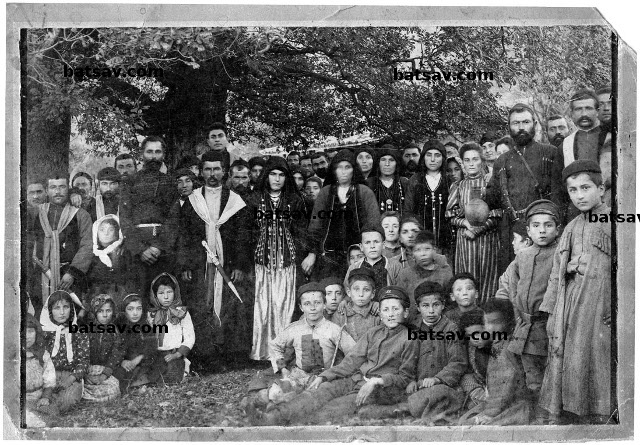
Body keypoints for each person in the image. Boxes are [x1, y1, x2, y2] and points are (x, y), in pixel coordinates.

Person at [248, 286, 418, 426]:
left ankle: (279, 419)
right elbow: (351, 361)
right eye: (386, 310)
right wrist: (324, 376)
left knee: (332, 409)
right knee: (320, 391)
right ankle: (274, 416)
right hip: (357, 380)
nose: (390, 314)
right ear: (380, 314)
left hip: (382, 389)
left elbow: (405, 376)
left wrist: (377, 381)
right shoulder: (373, 333)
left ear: (405, 312)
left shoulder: (410, 337)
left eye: (396, 309)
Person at [539, 160, 613, 424]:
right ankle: (570, 412)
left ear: (601, 189)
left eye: (585, 187)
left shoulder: (614, 222)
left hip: (599, 305)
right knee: (569, 356)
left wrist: (617, 308)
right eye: (573, 190)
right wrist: (551, 311)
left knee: (594, 356)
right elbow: (556, 272)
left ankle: (600, 416)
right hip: (570, 303)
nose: (579, 195)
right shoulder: (571, 226)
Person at [176, 150, 252, 366]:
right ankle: (205, 357)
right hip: (201, 265)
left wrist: (239, 264)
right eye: (207, 169)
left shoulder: (235, 201)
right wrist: (186, 264)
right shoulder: (193, 200)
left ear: (224, 171)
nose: (212, 173)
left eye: (216, 169)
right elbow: (185, 235)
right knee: (202, 305)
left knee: (229, 307)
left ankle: (229, 355)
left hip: (227, 264)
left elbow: (242, 236)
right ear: (201, 172)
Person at [487, 103, 566, 264]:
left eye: (525, 122)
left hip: (544, 229)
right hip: (512, 230)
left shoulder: (551, 153)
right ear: (509, 126)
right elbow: (492, 198)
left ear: (534, 124)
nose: (521, 127)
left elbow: (560, 195)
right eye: (516, 123)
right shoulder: (501, 161)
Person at [246, 156, 309, 361]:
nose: (277, 178)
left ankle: (284, 353)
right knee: (263, 306)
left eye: (282, 175)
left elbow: (301, 232)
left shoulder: (295, 200)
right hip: (261, 264)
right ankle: (262, 352)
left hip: (286, 263)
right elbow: (247, 233)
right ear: (266, 176)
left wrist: (306, 253)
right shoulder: (253, 200)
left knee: (284, 304)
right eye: (273, 174)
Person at [505, 199, 560, 423]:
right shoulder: (523, 256)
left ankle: (551, 416)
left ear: (558, 229)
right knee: (530, 375)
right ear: (528, 230)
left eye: (548, 225)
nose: (542, 230)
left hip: (547, 326)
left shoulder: (559, 254)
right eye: (536, 226)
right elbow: (513, 284)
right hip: (525, 326)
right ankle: (535, 416)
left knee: (551, 374)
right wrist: (518, 313)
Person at [303, 149, 381, 280]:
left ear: (354, 170)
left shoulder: (364, 192)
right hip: (329, 256)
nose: (343, 172)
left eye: (347, 167)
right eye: (339, 167)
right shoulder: (326, 193)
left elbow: (374, 224)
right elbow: (315, 226)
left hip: (359, 254)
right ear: (334, 170)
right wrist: (312, 253)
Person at [119, 136, 179, 297]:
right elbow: (125, 219)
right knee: (137, 300)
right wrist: (140, 249)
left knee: (163, 297)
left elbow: (173, 218)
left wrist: (158, 246)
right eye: (149, 152)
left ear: (163, 155)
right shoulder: (129, 182)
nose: (153, 156)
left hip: (163, 250)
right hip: (137, 251)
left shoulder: (170, 182)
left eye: (158, 152)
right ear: (142, 155)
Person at [269, 282, 356, 392]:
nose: (312, 308)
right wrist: (282, 368)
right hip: (298, 376)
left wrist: (337, 371)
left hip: (325, 378)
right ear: (301, 307)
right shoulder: (294, 329)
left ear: (324, 304)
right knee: (275, 394)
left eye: (317, 303)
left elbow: (354, 352)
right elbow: (274, 346)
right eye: (307, 304)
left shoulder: (334, 330)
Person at [28, 173, 93, 314]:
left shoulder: (81, 215)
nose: (57, 191)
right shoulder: (36, 213)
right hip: (42, 275)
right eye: (53, 187)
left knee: (70, 316)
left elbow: (87, 246)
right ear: (47, 190)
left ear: (68, 189)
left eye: (62, 187)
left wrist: (72, 273)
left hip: (69, 277)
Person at [459, 299, 532, 426]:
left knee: (471, 425)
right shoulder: (498, 344)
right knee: (465, 420)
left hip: (513, 405)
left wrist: (489, 414)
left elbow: (503, 388)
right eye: (487, 322)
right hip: (500, 403)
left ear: (509, 322)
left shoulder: (506, 349)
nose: (490, 328)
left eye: (496, 322)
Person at [403, 281, 467, 424]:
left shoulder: (451, 329)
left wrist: (437, 378)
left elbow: (458, 362)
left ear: (443, 305)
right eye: (425, 306)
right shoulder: (414, 330)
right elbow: (408, 361)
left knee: (438, 395)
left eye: (436, 305)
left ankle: (426, 416)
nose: (431, 311)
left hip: (443, 386)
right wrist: (411, 380)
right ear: (418, 308)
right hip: (419, 386)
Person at [448, 143, 502, 303]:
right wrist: (465, 223)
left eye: (475, 159)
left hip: (488, 240)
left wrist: (479, 229)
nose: (471, 163)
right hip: (466, 241)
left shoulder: (491, 184)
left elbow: (498, 212)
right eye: (467, 160)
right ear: (462, 163)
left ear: (482, 161)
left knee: (488, 278)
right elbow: (450, 214)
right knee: (467, 279)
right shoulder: (458, 186)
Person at [40, 291, 90, 414]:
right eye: (57, 308)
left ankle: (53, 410)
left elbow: (84, 361)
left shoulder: (78, 332)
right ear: (50, 311)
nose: (62, 312)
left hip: (71, 376)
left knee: (68, 400)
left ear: (71, 309)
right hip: (49, 375)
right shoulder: (45, 332)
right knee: (42, 396)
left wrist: (71, 378)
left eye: (66, 307)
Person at [404, 140, 452, 254]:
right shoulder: (415, 180)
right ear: (423, 157)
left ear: (443, 158)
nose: (433, 159)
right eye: (429, 155)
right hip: (421, 243)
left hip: (446, 242)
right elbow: (408, 211)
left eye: (437, 155)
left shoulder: (449, 181)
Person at [147, 273, 195, 384]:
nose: (166, 297)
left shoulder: (181, 313)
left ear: (175, 292)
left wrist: (178, 354)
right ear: (155, 295)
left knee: (172, 377)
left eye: (169, 292)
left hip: (175, 354)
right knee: (153, 378)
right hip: (157, 355)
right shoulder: (151, 314)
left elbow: (190, 337)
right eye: (161, 293)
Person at [395, 230, 453, 320]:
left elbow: (450, 303)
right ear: (412, 254)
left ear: (434, 250)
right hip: (412, 322)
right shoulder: (405, 274)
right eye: (418, 250)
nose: (423, 254)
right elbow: (399, 300)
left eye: (427, 249)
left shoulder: (444, 274)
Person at [112, 293, 158, 394]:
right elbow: (114, 349)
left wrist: (140, 358)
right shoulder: (118, 327)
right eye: (130, 309)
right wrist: (122, 362)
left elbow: (152, 346)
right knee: (119, 374)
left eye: (139, 309)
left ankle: (141, 383)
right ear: (124, 311)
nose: (135, 313)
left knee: (154, 367)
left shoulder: (146, 327)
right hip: (125, 363)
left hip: (141, 362)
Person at [82, 294, 124, 402]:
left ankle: (92, 395)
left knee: (114, 387)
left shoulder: (115, 331)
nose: (105, 315)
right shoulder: (87, 330)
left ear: (113, 312)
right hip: (89, 370)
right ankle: (88, 392)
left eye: (108, 311)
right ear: (94, 313)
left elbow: (116, 353)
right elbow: (82, 353)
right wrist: (85, 375)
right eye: (100, 311)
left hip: (105, 371)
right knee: (81, 384)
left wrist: (104, 375)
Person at [343, 226, 402, 291]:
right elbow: (347, 291)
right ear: (361, 247)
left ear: (383, 244)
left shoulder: (395, 266)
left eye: (376, 242)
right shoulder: (354, 268)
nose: (372, 246)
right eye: (367, 242)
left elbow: (400, 292)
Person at [24, 313, 57, 424]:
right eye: (22, 331)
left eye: (30, 331)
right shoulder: (11, 357)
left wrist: (45, 397)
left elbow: (49, 379)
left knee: (52, 413)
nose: (27, 336)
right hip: (19, 400)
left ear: (36, 333)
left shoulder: (43, 355)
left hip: (38, 397)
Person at [331, 268, 380, 342]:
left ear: (373, 294)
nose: (361, 294)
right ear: (348, 292)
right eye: (356, 289)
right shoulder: (340, 315)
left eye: (366, 290)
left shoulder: (378, 314)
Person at [561, 89, 606, 166]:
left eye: (588, 108)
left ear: (597, 111)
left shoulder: (610, 137)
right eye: (578, 109)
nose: (584, 114)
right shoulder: (566, 144)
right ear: (572, 114)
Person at [458, 308, 491, 410]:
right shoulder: (471, 349)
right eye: (470, 336)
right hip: (481, 386)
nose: (475, 339)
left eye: (479, 333)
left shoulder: (499, 347)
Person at [494, 221, 532, 300]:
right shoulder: (513, 266)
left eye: (515, 238)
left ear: (526, 242)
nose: (512, 242)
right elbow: (502, 294)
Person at [366, 148, 408, 216]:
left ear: (397, 163)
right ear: (378, 163)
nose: (387, 164)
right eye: (383, 160)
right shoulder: (369, 183)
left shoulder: (404, 183)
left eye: (391, 160)